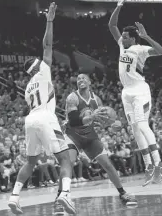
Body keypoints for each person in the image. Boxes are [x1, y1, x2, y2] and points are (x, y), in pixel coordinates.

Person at [8, 2, 75, 215]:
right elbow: (47, 45)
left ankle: (14, 197)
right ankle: (65, 193)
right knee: (65, 158)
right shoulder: (44, 71)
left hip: (31, 119)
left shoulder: (28, 86)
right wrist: (49, 20)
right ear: (37, 66)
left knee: (31, 161)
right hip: (46, 117)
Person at [54, 73, 137, 215]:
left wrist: (112, 124)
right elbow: (73, 121)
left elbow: (101, 121)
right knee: (68, 163)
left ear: (90, 81)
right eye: (78, 79)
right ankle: (60, 199)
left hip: (90, 136)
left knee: (108, 165)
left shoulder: (96, 100)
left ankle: (122, 193)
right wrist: (91, 117)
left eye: (83, 78)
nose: (80, 80)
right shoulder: (72, 97)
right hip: (73, 135)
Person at [108, 0, 162, 186]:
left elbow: (160, 51)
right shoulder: (122, 46)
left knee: (142, 125)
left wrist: (146, 36)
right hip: (126, 92)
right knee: (134, 129)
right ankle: (149, 165)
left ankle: (159, 164)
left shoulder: (140, 49)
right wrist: (119, 4)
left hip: (140, 89)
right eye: (122, 36)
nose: (121, 38)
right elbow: (111, 25)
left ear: (132, 38)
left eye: (125, 37)